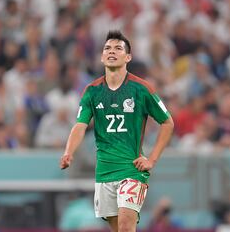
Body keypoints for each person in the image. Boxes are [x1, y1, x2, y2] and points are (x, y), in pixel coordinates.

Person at [59, 30, 174, 232]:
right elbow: (80, 125)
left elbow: (167, 123)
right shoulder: (92, 91)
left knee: (126, 224)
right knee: (117, 228)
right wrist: (69, 152)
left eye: (118, 48)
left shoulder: (141, 89)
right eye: (107, 48)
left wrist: (152, 160)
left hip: (132, 170)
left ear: (127, 57)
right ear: (102, 57)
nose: (112, 51)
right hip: (104, 172)